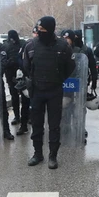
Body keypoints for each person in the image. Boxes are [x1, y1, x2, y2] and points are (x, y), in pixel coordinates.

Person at [23, 16, 76, 169]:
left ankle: (53, 156)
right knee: (37, 124)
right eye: (38, 30)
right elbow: (26, 66)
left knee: (54, 126)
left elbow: (70, 66)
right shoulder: (31, 45)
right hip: (37, 90)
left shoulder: (63, 46)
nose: (40, 32)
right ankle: (37, 154)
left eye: (43, 30)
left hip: (54, 90)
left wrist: (59, 79)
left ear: (51, 29)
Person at [3, 30, 23, 125]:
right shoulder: (6, 45)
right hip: (11, 73)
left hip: (20, 73)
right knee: (16, 96)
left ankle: (21, 116)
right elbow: (3, 61)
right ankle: (18, 116)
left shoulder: (22, 44)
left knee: (22, 96)